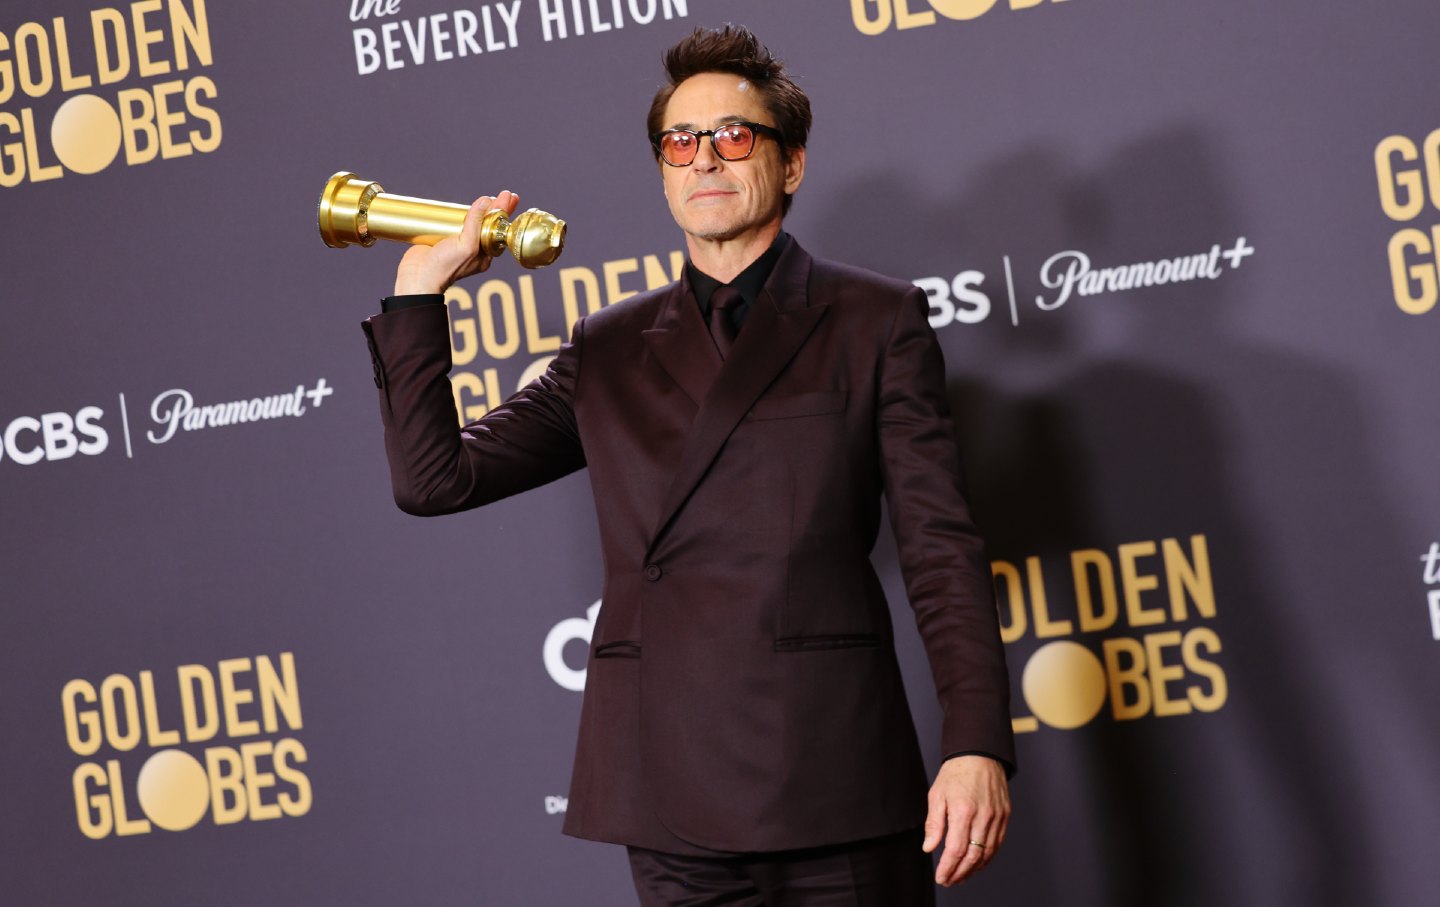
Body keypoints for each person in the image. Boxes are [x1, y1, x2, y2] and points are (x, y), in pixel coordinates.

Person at [361, 24, 1014, 905]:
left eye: (734, 137)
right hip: (667, 791)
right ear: (664, 171)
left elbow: (938, 549)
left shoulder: (874, 320)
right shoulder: (609, 347)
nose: (705, 159)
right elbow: (436, 481)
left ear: (791, 165)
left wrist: (975, 742)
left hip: (833, 775)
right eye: (680, 142)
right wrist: (416, 297)